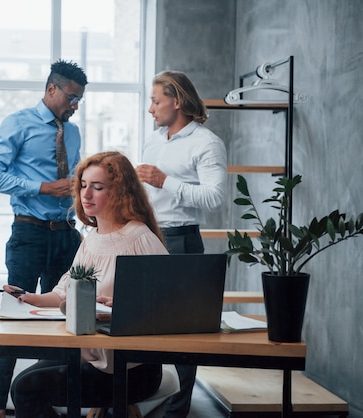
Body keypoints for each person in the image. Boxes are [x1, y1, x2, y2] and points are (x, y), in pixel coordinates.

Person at [7, 151, 169, 417]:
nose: (86, 195)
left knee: (26, 388)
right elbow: (65, 289)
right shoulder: (91, 237)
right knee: (22, 386)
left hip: (130, 369)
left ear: (120, 192)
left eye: (97, 187)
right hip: (92, 357)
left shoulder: (139, 237)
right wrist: (27, 297)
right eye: (83, 185)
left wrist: (125, 305)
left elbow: (170, 301)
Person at [0, 60, 88, 418]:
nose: (75, 105)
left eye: (79, 100)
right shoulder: (18, 124)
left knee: (69, 317)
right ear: (51, 89)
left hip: (67, 236)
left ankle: (57, 403)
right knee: (13, 316)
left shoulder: (72, 133)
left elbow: (72, 178)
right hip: (28, 234)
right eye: (71, 97)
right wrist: (41, 187)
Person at [136, 70, 227, 418]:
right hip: (149, 237)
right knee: (143, 325)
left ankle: (176, 412)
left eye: (156, 100)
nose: (151, 109)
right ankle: (144, 403)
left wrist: (165, 181)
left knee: (182, 331)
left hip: (182, 241)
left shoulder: (206, 142)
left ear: (177, 101)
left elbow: (215, 197)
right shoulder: (153, 140)